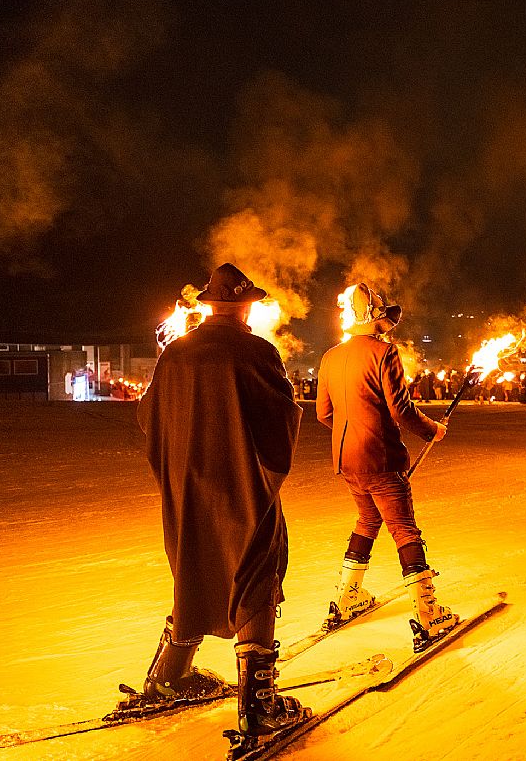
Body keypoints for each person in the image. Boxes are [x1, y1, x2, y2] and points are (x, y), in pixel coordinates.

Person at [136, 263, 306, 741]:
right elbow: (279, 421)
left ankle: (169, 676)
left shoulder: (176, 353)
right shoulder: (256, 351)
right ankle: (258, 706)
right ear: (246, 306)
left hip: (187, 486)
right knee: (254, 567)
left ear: (209, 306)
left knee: (193, 566)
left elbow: (149, 416)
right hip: (240, 481)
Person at [316, 283, 454, 651]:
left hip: (347, 459)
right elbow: (401, 410)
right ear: (374, 316)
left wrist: (353, 432)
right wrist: (432, 430)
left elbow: (323, 413)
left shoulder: (331, 356)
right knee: (404, 528)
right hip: (380, 458)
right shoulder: (385, 352)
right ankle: (429, 611)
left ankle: (347, 596)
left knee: (367, 519)